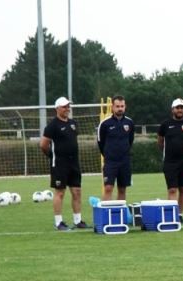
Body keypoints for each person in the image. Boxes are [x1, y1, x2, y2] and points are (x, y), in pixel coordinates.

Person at [39, 96, 88, 231]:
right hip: (60, 164)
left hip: (74, 163)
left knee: (77, 192)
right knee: (60, 192)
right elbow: (43, 145)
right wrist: (52, 155)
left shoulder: (73, 123)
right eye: (64, 107)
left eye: (68, 106)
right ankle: (58, 222)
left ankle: (78, 221)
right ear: (57, 109)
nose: (67, 109)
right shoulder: (52, 126)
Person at [157, 98, 183, 223]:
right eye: (177, 108)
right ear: (172, 109)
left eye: (181, 108)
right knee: (172, 189)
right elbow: (160, 141)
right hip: (170, 162)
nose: (179, 110)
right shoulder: (165, 124)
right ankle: (171, 216)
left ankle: (179, 215)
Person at [97, 95, 135, 201]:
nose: (120, 109)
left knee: (122, 189)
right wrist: (108, 154)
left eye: (122, 106)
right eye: (117, 106)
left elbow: (130, 140)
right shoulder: (105, 123)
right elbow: (100, 142)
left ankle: (120, 211)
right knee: (108, 188)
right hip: (110, 162)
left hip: (125, 161)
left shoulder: (129, 122)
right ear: (113, 107)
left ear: (125, 106)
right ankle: (106, 211)